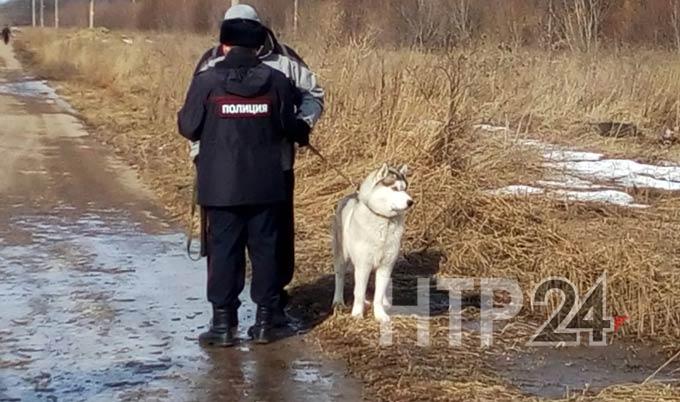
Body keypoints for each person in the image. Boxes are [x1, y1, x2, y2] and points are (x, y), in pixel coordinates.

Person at [190, 4, 325, 319]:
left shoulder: (286, 62)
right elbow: (198, 115)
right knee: (238, 243)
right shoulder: (209, 63)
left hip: (274, 166)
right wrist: (199, 155)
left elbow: (314, 94)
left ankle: (269, 300)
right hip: (229, 169)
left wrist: (302, 124)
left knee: (272, 240)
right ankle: (257, 312)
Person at [177, 16, 300, 347]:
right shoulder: (277, 81)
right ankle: (265, 323)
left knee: (223, 252)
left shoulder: (206, 81)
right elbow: (291, 126)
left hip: (219, 186)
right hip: (266, 185)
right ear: (259, 47)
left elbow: (188, 127)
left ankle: (223, 325)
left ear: (224, 45)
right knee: (266, 252)